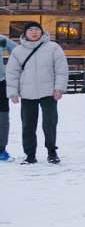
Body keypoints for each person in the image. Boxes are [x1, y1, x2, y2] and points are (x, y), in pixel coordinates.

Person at [5, 21, 67, 164]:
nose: (34, 32)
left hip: (49, 93)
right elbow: (12, 73)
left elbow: (61, 69)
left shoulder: (53, 48)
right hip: (27, 93)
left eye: (37, 29)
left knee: (49, 124)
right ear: (25, 33)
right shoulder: (18, 51)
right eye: (31, 30)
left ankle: (52, 151)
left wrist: (59, 88)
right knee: (28, 125)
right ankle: (30, 154)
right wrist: (13, 93)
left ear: (41, 32)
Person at [0, 31, 15, 161]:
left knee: (2, 117)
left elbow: (15, 50)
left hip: (0, 83)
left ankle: (1, 149)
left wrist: (9, 68)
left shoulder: (0, 39)